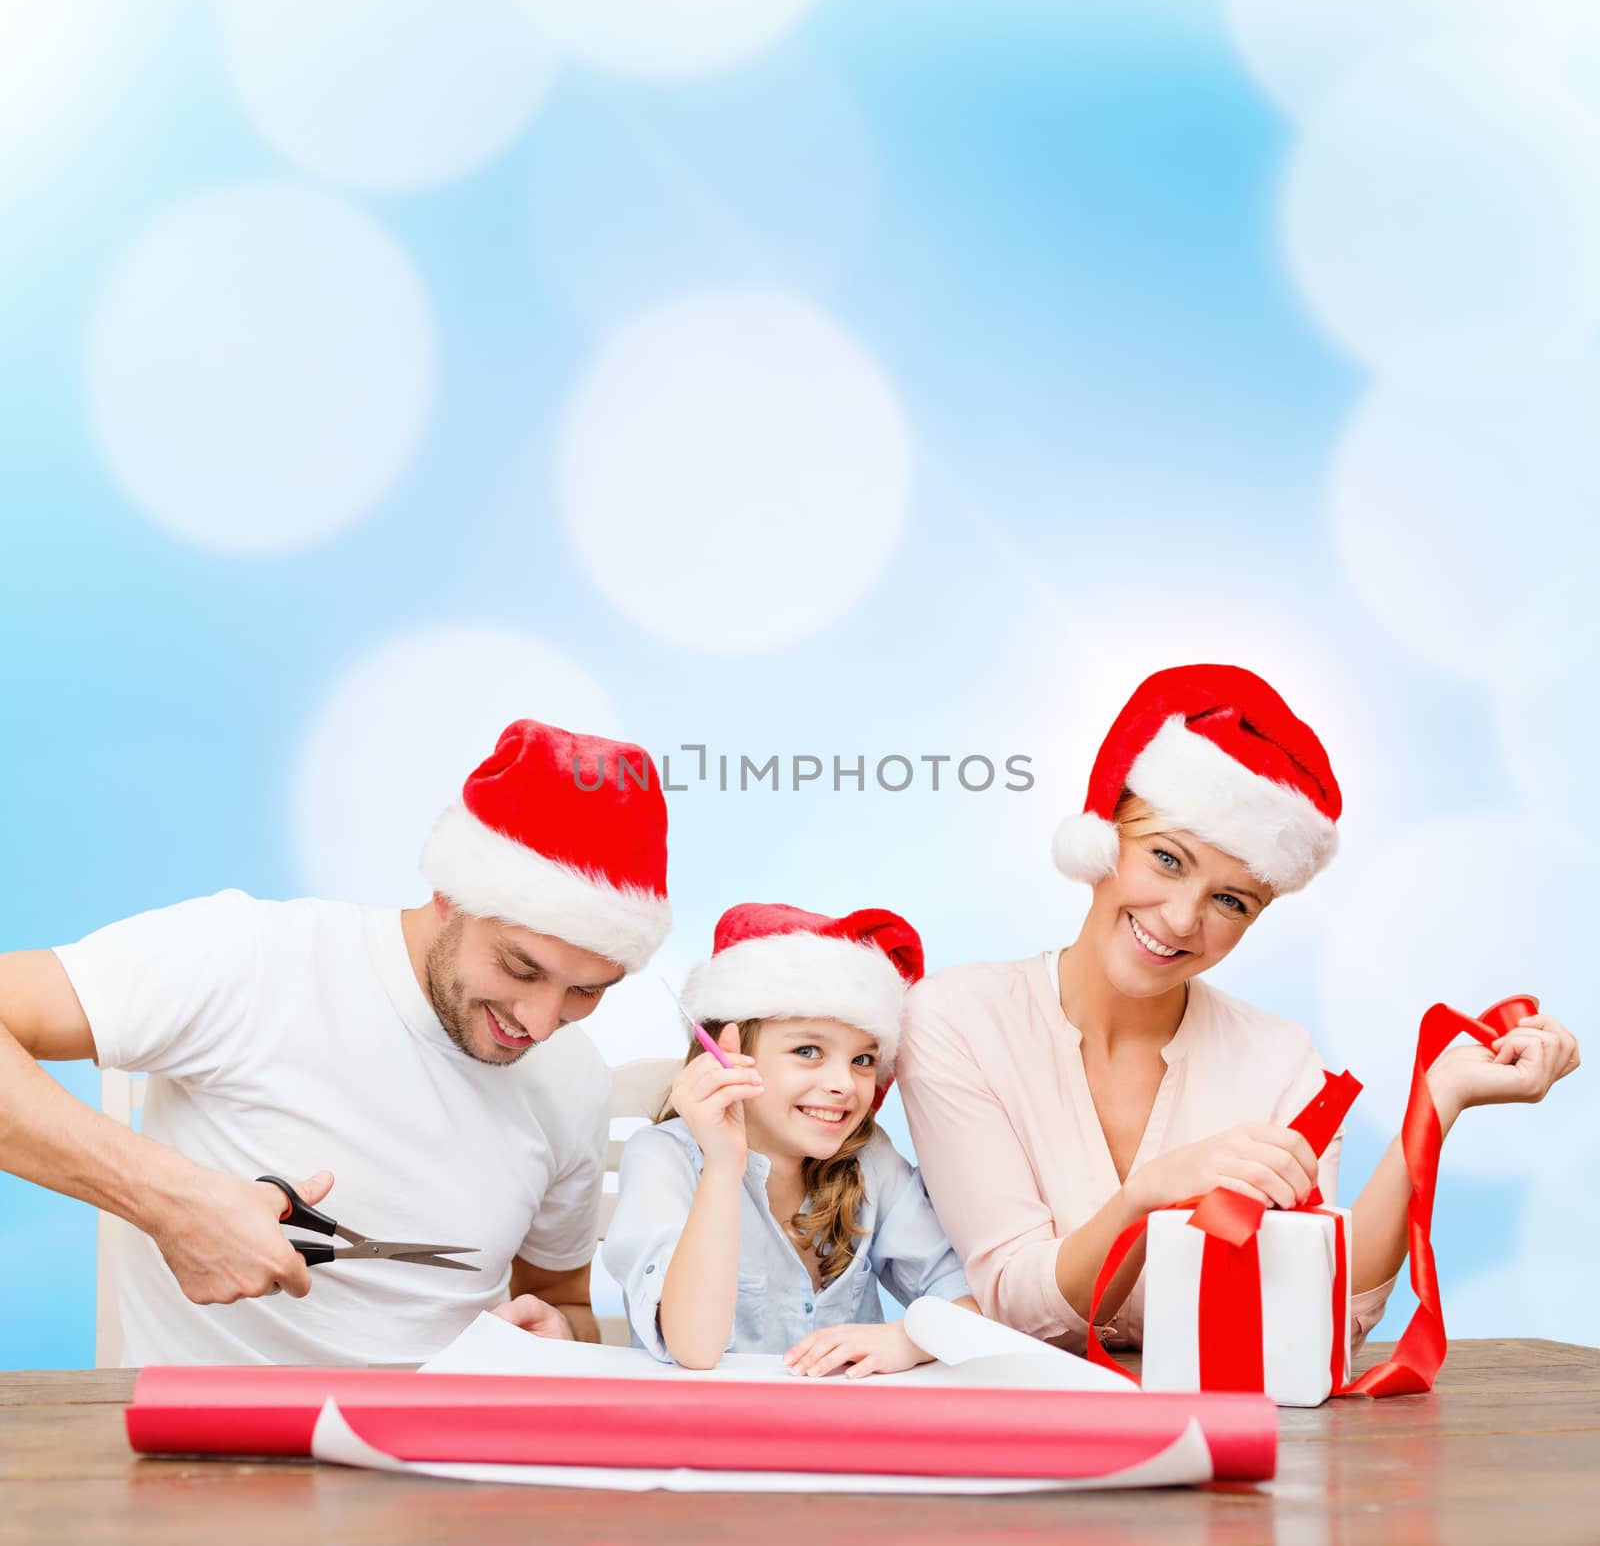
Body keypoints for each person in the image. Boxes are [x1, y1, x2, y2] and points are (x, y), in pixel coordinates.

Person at [896, 664, 1580, 1354]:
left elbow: (1321, 1313)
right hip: (1027, 1434)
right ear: (1107, 835)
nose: (1182, 917)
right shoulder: (956, 1020)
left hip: (1235, 1436)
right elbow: (1016, 1302)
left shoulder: (1280, 1059)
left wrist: (1439, 1098)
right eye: (1167, 858)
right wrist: (1148, 1194)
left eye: (1232, 900)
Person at [0, 718, 672, 1365]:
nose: (542, 1022)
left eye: (587, 990)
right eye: (521, 968)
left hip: (444, 1463)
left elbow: (560, 1299)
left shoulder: (574, 1078)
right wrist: (168, 1198)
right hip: (208, 1462)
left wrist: (558, 1331)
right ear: (450, 894)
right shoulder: (252, 957)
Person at [605, 903, 977, 1375]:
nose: (845, 1083)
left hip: (839, 1435)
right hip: (702, 1435)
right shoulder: (663, 1157)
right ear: (726, 1052)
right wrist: (723, 1166)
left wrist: (910, 1339)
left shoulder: (869, 1160)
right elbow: (694, 1348)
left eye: (863, 1060)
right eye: (808, 1051)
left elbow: (965, 1301)